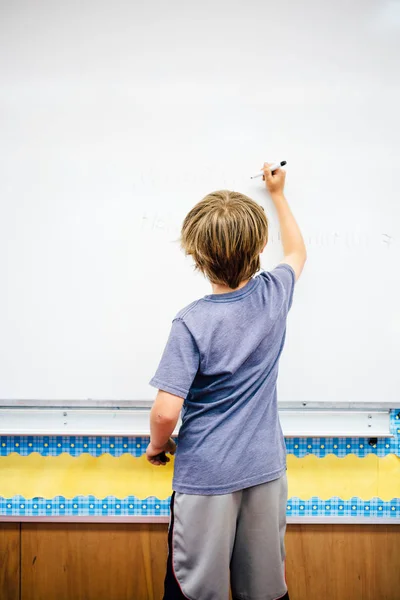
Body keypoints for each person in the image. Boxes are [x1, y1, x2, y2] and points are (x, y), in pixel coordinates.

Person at [146, 162, 307, 600]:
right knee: (266, 590)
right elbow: (297, 253)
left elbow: (165, 412)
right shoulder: (274, 294)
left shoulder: (191, 322)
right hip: (265, 472)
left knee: (199, 592)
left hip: (206, 479)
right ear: (258, 247)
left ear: (196, 257)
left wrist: (157, 446)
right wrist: (278, 195)